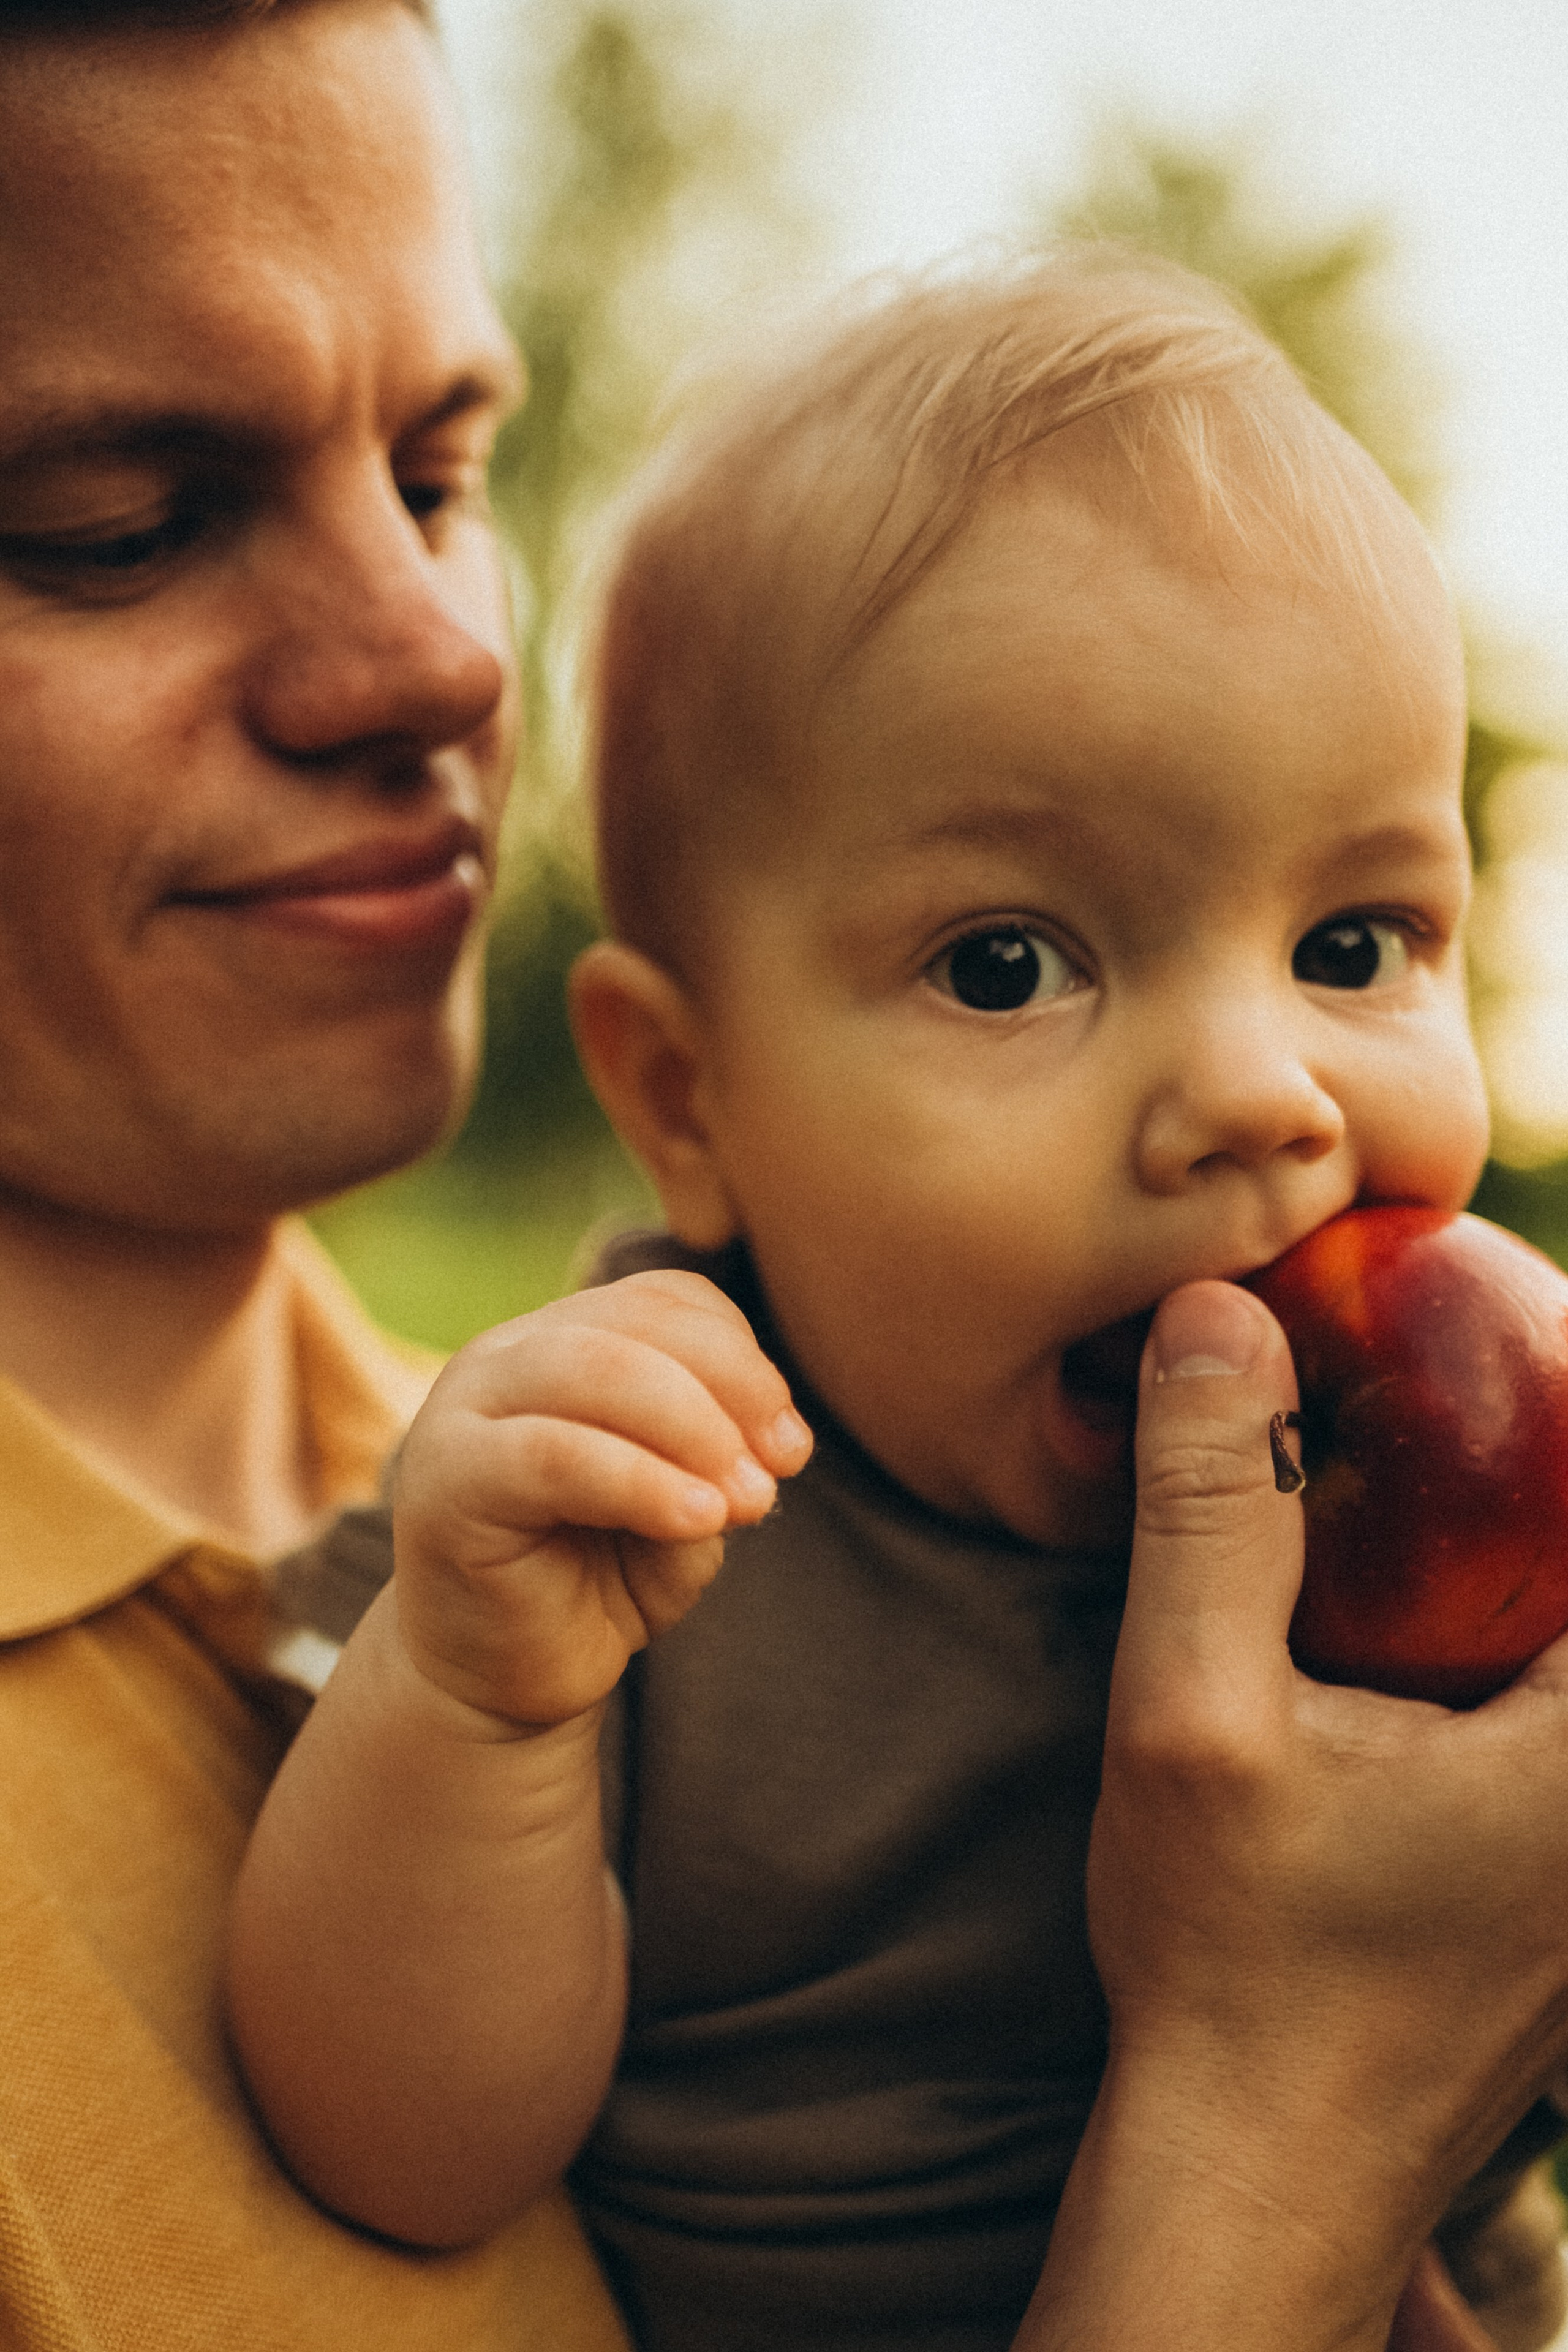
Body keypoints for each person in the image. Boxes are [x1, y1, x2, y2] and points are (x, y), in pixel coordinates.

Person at [226, 254, 1568, 2352]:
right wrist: (477, 1704)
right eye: (1009, 965)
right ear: (690, 1102)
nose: (1262, 1091)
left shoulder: (1469, 1516)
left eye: (1356, 943)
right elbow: (405, 2144)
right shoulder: (629, 1517)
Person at [0, 0, 633, 2342]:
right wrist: (1287, 2106)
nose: (437, 662)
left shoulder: (586, 1516)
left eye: (442, 476)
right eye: (119, 528)